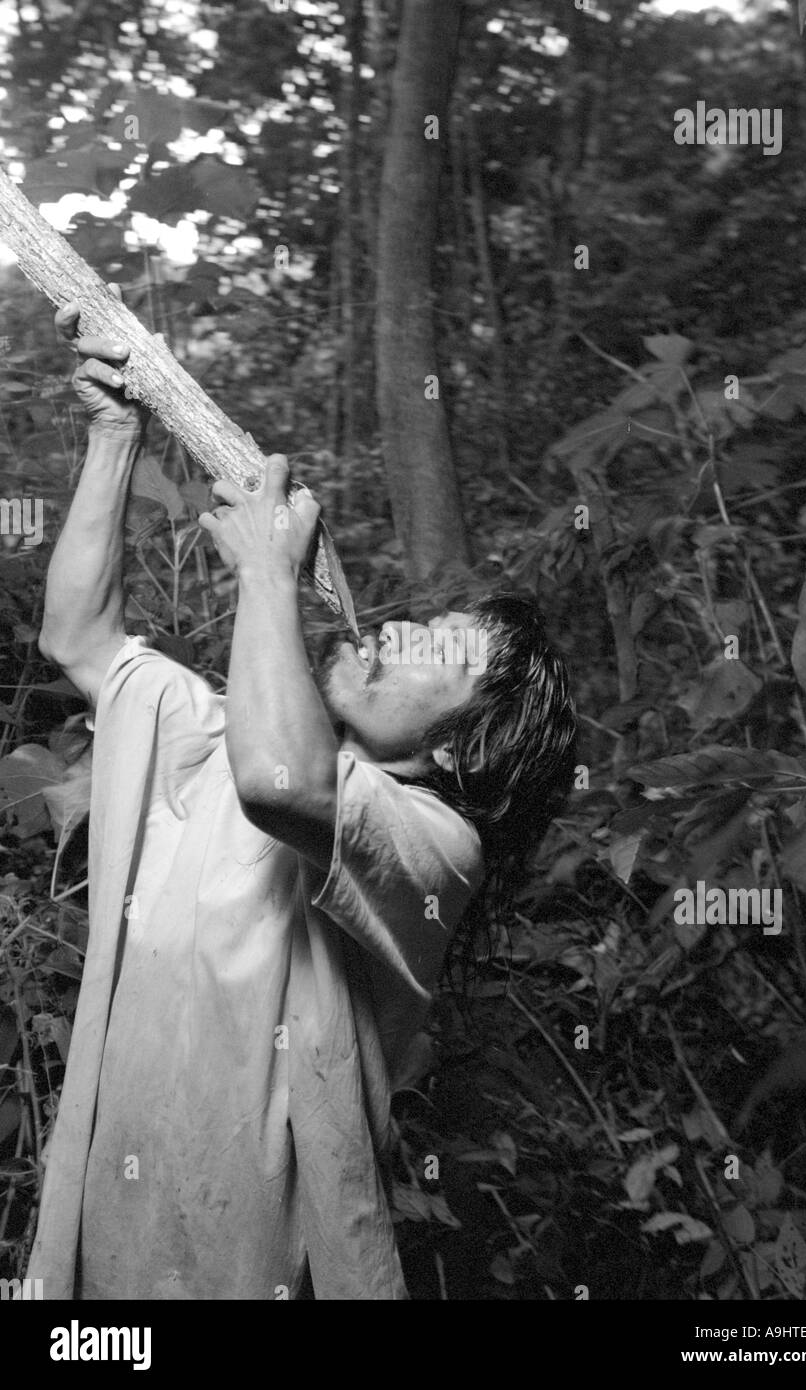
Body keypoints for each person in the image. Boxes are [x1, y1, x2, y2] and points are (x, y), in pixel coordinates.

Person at [26, 298, 577, 1300]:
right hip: (114, 1242)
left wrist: (268, 580)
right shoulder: (233, 735)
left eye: (443, 653)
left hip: (261, 1268)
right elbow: (80, 639)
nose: (407, 633)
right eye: (429, 620)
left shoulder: (435, 845)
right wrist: (115, 436)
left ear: (465, 746)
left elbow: (281, 782)